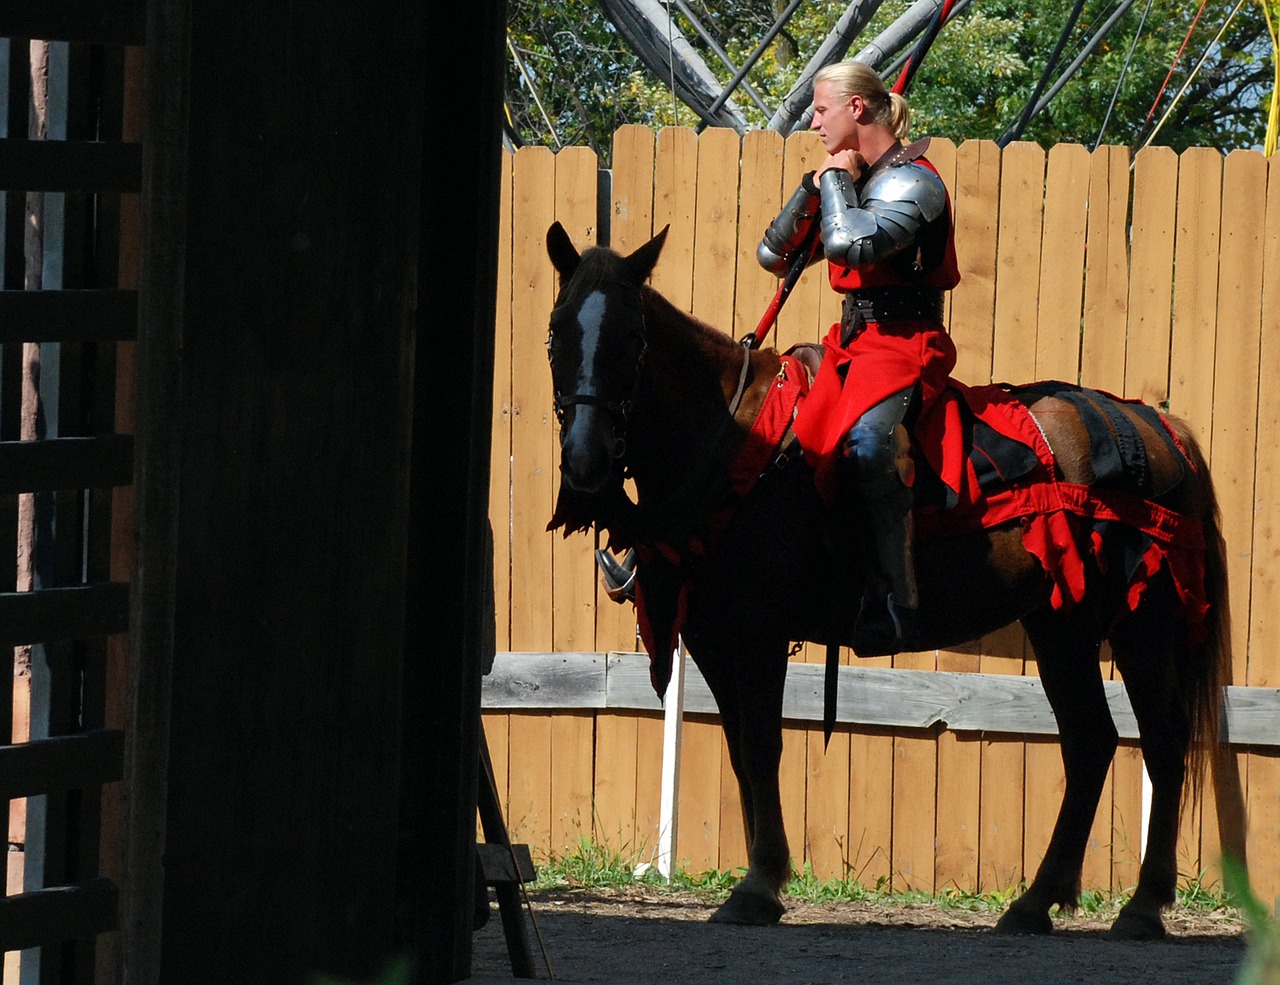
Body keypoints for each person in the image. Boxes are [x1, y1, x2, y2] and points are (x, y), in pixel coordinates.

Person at [757, 60, 961, 654]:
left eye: (821, 110)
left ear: (856, 109)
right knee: (771, 426)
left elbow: (853, 241)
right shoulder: (853, 178)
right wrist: (817, 183)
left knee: (869, 446)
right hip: (848, 344)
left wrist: (835, 182)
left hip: (904, 348)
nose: (812, 121)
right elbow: (774, 253)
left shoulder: (914, 183)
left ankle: (900, 601)